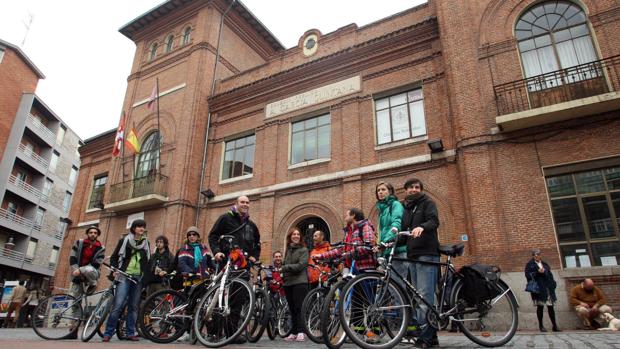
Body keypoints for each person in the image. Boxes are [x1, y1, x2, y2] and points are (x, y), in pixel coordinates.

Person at [314, 208, 377, 342]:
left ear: (353, 215)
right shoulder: (349, 231)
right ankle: (359, 333)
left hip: (366, 268)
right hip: (353, 269)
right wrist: (322, 256)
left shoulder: (364, 226)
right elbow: (342, 249)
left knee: (371, 303)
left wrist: (350, 253)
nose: (345, 216)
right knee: (356, 302)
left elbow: (370, 245)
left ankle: (376, 333)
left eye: (347, 214)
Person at [208, 195, 261, 345]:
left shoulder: (251, 225)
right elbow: (213, 236)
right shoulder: (225, 218)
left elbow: (257, 243)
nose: (245, 204)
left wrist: (253, 256)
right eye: (242, 202)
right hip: (226, 263)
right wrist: (217, 251)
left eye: (247, 202)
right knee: (220, 298)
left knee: (237, 301)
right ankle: (215, 332)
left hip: (243, 267)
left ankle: (232, 333)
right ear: (236, 204)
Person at [400, 178, 440, 347]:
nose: (414, 190)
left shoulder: (427, 203)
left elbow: (434, 221)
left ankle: (428, 337)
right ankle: (431, 335)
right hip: (413, 255)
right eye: (410, 187)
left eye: (417, 187)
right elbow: (404, 232)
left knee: (425, 295)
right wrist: (387, 243)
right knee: (419, 297)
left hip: (427, 254)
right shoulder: (408, 209)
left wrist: (422, 227)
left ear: (421, 189)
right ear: (406, 191)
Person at [102, 219, 150, 342]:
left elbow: (148, 262)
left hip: (138, 277)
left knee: (133, 307)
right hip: (124, 276)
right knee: (118, 305)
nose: (141, 228)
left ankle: (130, 333)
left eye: (143, 227)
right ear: (133, 228)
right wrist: (114, 269)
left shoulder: (146, 243)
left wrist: (145, 278)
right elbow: (114, 257)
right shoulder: (124, 240)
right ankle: (108, 333)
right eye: (139, 226)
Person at [281, 228, 309, 342]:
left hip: (300, 282)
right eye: (294, 234)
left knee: (299, 308)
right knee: (292, 308)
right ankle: (293, 332)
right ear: (290, 236)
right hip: (288, 283)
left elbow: (300, 266)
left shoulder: (304, 250)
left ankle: (302, 331)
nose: (296, 236)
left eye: (298, 234)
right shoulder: (288, 250)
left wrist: (285, 268)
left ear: (300, 237)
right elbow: (284, 263)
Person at [525, 249, 560, 332]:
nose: (537, 256)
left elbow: (549, 274)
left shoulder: (544, 264)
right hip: (539, 288)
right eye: (535, 254)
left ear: (540, 255)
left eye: (538, 254)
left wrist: (553, 283)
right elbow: (528, 276)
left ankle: (554, 326)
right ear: (533, 256)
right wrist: (538, 272)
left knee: (550, 306)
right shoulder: (530, 265)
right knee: (540, 307)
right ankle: (541, 326)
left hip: (548, 287)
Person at [69, 226, 106, 296]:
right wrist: (76, 270)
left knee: (89, 270)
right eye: (91, 232)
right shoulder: (79, 243)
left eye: (95, 233)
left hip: (92, 272)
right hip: (77, 273)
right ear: (87, 234)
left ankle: (93, 284)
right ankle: (77, 306)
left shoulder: (101, 248)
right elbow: (73, 257)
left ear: (98, 235)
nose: (93, 234)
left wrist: (81, 270)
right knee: (76, 299)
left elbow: (97, 264)